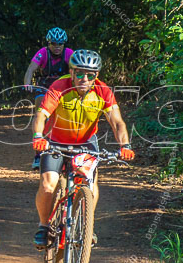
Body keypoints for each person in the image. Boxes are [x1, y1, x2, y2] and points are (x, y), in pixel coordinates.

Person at [29, 49, 135, 247]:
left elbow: (117, 122)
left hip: (86, 143)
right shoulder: (59, 87)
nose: (84, 78)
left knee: (90, 186)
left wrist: (125, 145)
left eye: (90, 74)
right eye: (79, 73)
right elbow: (41, 115)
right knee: (47, 185)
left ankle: (86, 226)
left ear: (97, 76)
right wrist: (38, 136)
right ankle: (43, 226)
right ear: (71, 72)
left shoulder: (103, 92)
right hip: (55, 141)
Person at [22, 27, 73, 170]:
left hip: (63, 88)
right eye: (54, 44)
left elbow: (77, 70)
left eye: (60, 44)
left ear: (64, 44)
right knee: (40, 113)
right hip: (44, 87)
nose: (57, 47)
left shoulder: (69, 54)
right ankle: (38, 153)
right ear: (49, 43)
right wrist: (27, 84)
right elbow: (31, 69)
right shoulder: (42, 53)